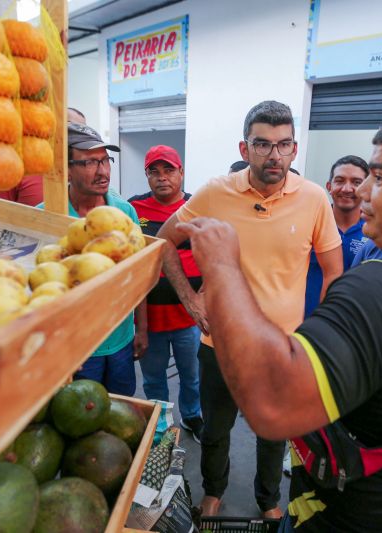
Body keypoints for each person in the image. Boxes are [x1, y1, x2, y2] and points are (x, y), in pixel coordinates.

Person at [174, 104, 382, 531]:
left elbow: (274, 409)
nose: (361, 192)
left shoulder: (380, 290)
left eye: (379, 179)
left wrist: (223, 267)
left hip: (355, 516)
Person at [157, 101, 343, 519]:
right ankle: (214, 491)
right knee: (217, 430)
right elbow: (164, 241)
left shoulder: (314, 198)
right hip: (219, 342)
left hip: (283, 346)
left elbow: (333, 271)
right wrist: (190, 297)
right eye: (262, 144)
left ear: (295, 149)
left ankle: (269, 501)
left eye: (283, 145)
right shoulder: (215, 193)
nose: (273, 155)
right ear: (245, 147)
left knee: (273, 431)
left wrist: (318, 330)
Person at [36, 122, 139, 395]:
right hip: (74, 345)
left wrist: (144, 330)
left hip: (121, 339)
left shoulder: (125, 213)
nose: (103, 171)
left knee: (121, 407)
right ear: (67, 167)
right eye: (91, 162)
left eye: (106, 160)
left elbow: (139, 275)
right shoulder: (45, 214)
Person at [128, 145, 204, 443]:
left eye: (169, 170)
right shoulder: (135, 209)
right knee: (153, 379)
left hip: (188, 319)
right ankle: (159, 425)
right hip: (151, 320)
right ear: (146, 175)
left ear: (181, 172)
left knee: (192, 377)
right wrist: (140, 326)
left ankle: (192, 416)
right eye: (154, 171)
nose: (162, 178)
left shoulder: (197, 205)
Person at [304, 155, 369, 317]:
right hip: (305, 324)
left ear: (367, 188)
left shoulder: (376, 233)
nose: (347, 189)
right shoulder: (308, 225)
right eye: (340, 181)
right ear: (329, 186)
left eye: (356, 182)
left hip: (353, 325)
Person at [0, 108, 88, 206]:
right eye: (71, 126)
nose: (78, 135)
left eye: (82, 130)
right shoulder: (15, 166)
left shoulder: (85, 169)